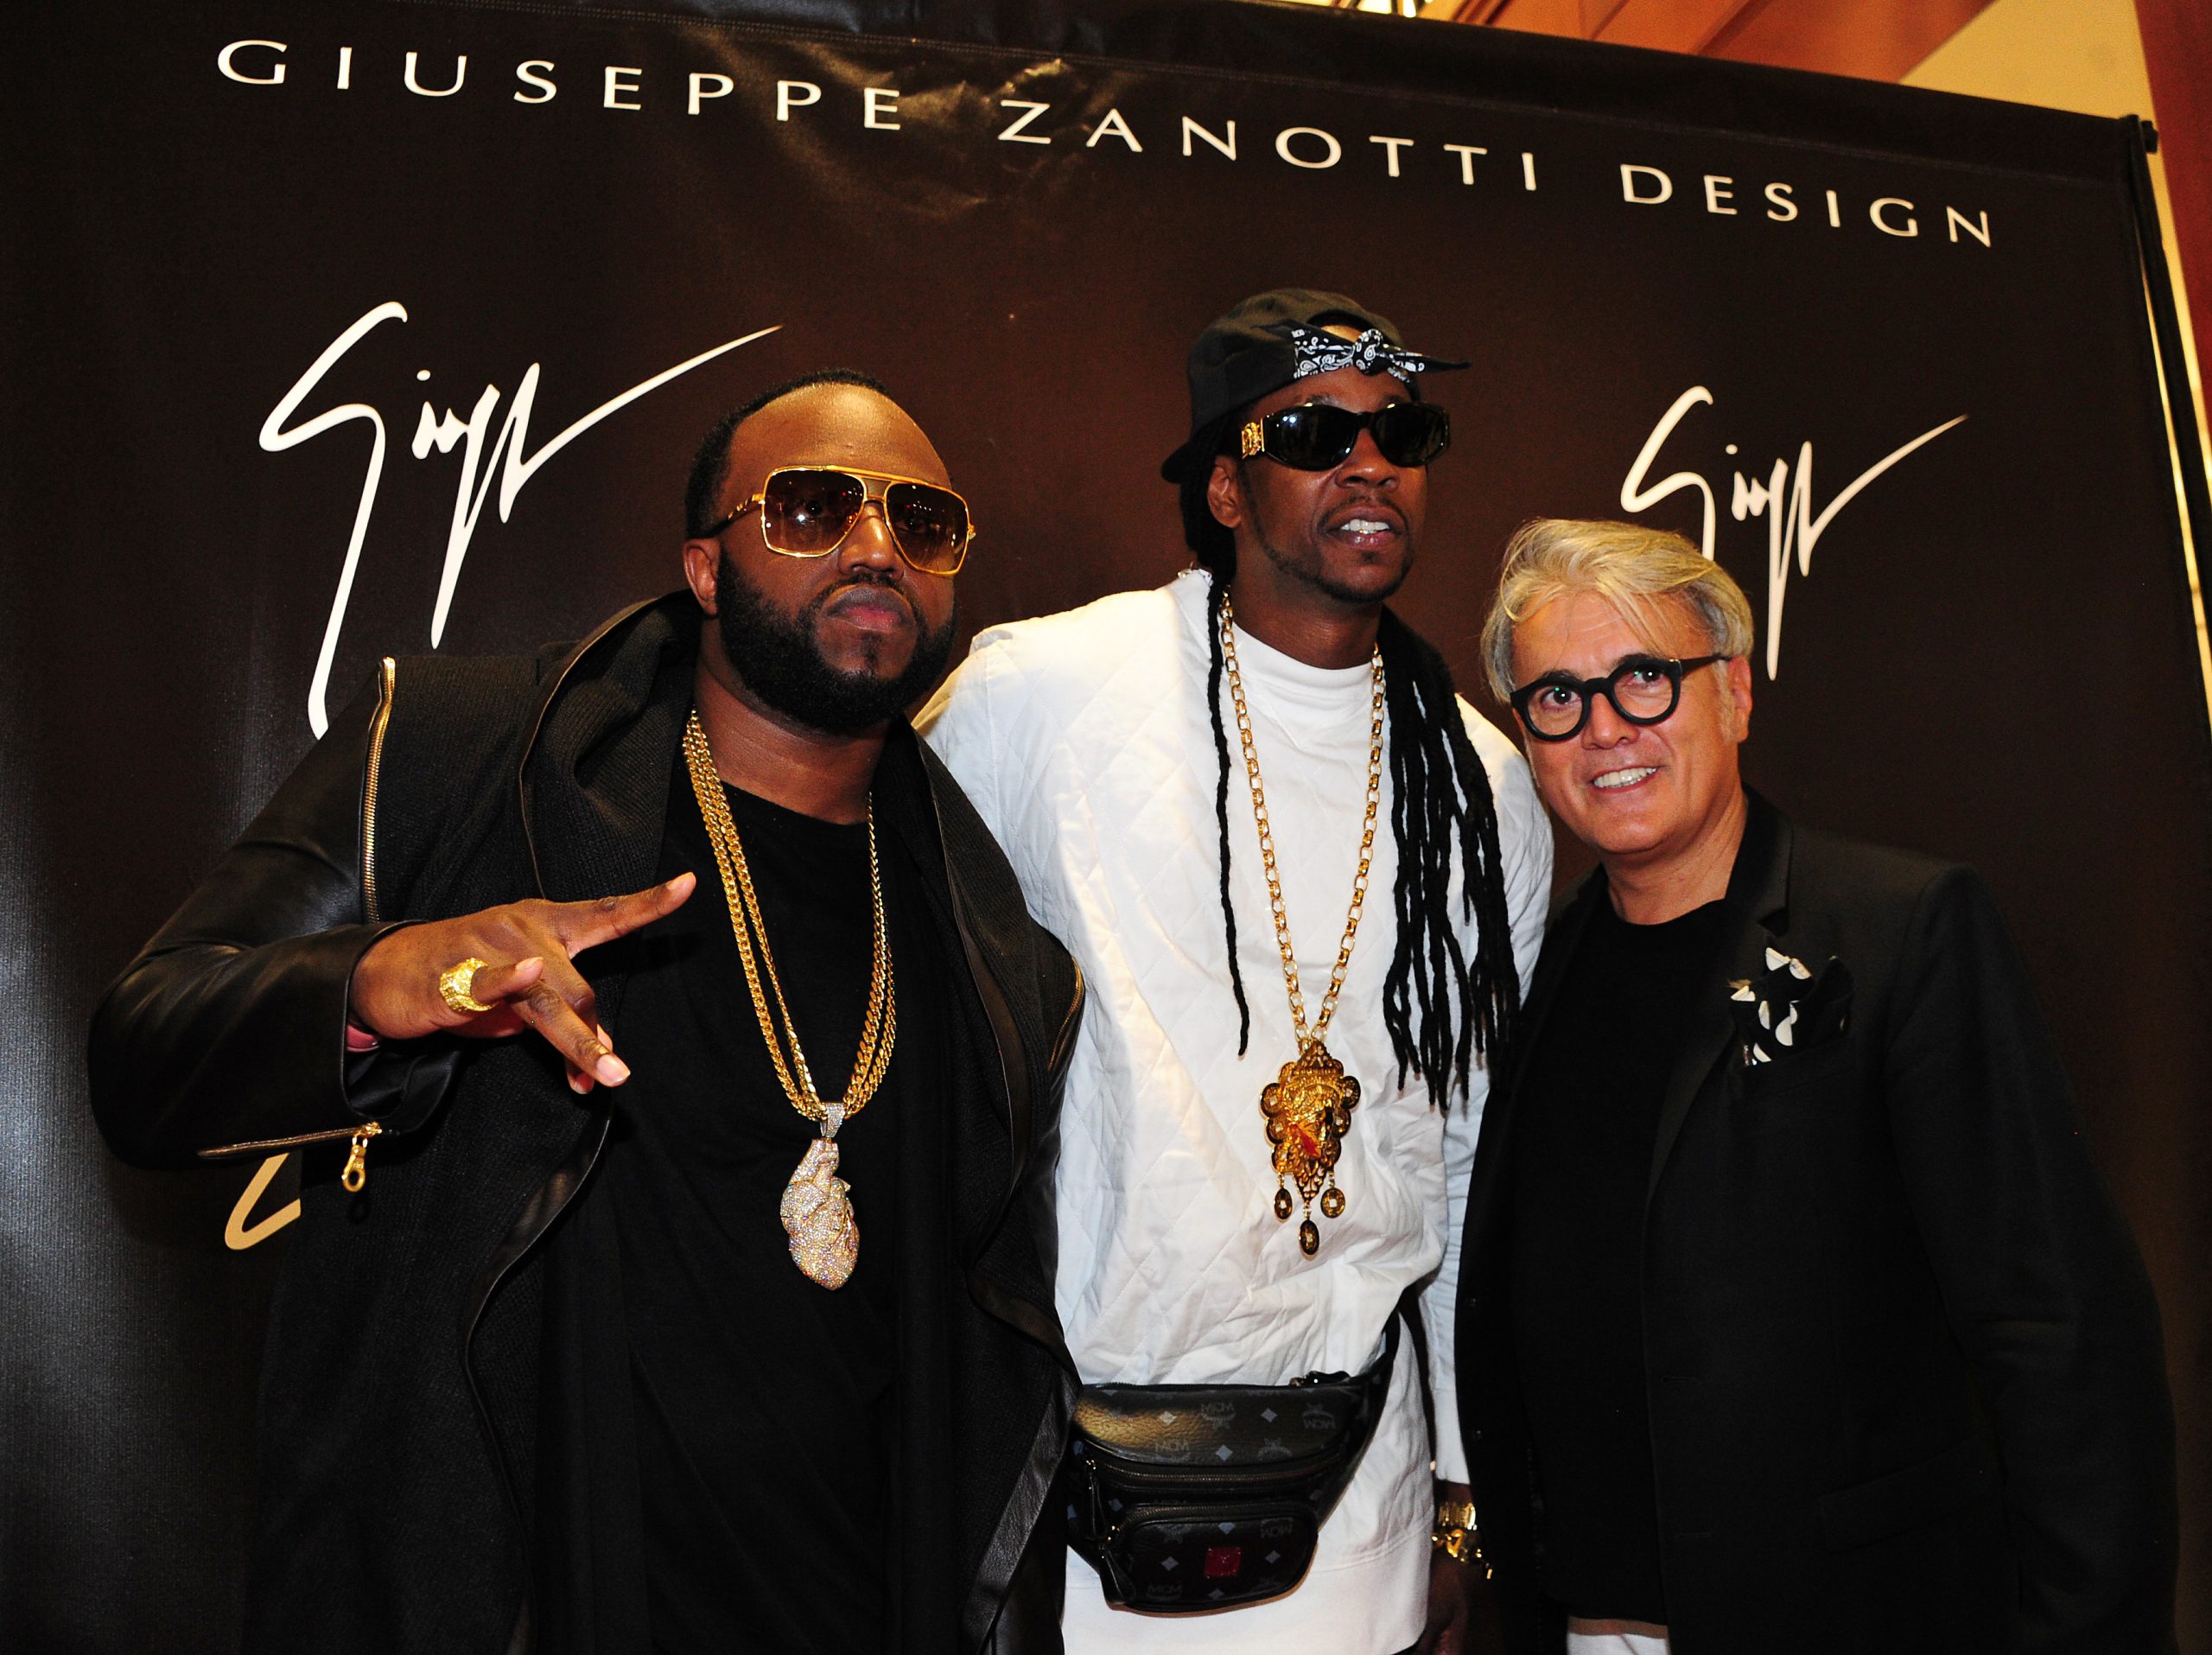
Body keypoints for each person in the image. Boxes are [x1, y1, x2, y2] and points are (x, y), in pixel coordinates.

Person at [88, 372, 1083, 1655]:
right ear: (705, 569)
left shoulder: (994, 957)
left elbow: (986, 1404)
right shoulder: (458, 759)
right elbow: (144, 1053)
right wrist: (380, 981)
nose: (877, 545)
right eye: (812, 507)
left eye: (923, 522)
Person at [918, 290, 1552, 1654]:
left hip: (1364, 1493)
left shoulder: (1481, 785)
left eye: (1402, 433)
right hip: (1076, 1488)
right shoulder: (1040, 695)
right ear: (1224, 486)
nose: (1370, 464)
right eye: (1316, 434)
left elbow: (1465, 1159)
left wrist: (1461, 1495)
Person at [1458, 517, 2177, 1655]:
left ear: (1735, 693)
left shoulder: (1901, 933)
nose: (1604, 728)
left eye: (1644, 677)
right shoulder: (1534, 974)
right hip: (1587, 1623)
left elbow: (2056, 1327)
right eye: (1558, 696)